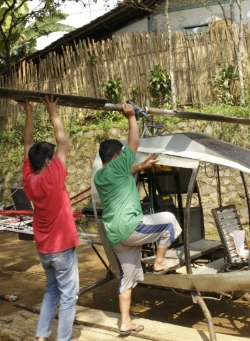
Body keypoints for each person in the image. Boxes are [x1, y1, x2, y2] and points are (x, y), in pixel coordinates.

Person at [94, 103, 182, 337]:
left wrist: (141, 166)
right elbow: (133, 143)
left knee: (127, 277)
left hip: (116, 237)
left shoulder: (101, 175)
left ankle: (125, 322)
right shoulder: (119, 164)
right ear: (116, 156)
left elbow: (125, 171)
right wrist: (131, 117)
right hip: (130, 228)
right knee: (170, 220)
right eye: (121, 155)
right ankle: (160, 261)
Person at [20, 96, 80, 341]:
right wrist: (52, 109)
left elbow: (27, 144)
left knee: (51, 291)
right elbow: (63, 141)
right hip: (62, 249)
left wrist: (30, 112)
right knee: (68, 297)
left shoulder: (28, 178)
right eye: (52, 157)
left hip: (44, 249)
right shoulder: (53, 177)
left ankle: (41, 336)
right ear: (47, 161)